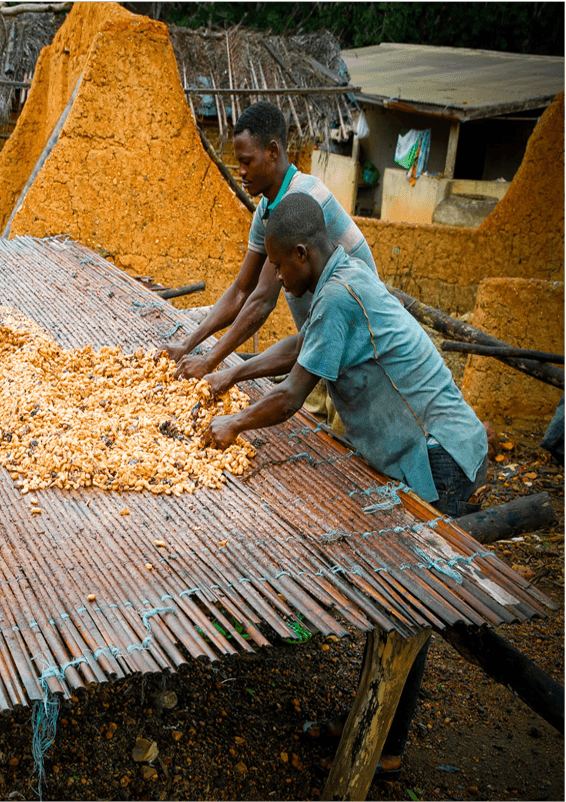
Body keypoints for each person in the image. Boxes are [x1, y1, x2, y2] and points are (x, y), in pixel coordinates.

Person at [204, 192, 489, 778]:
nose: (278, 279)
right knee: (399, 599)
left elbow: (289, 396)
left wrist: (234, 422)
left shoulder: (336, 294)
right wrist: (235, 369)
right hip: (422, 447)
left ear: (302, 253)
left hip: (438, 454)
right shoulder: (338, 276)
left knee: (414, 607)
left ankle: (381, 744)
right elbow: (302, 351)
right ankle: (369, 721)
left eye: (281, 266)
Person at [165, 102, 375, 428]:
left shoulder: (302, 201)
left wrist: (210, 362)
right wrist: (188, 346)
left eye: (247, 162)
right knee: (312, 428)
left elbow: (261, 301)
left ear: (273, 151)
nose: (242, 172)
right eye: (238, 163)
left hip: (357, 342)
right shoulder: (266, 210)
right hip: (317, 339)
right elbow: (240, 291)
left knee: (344, 442)